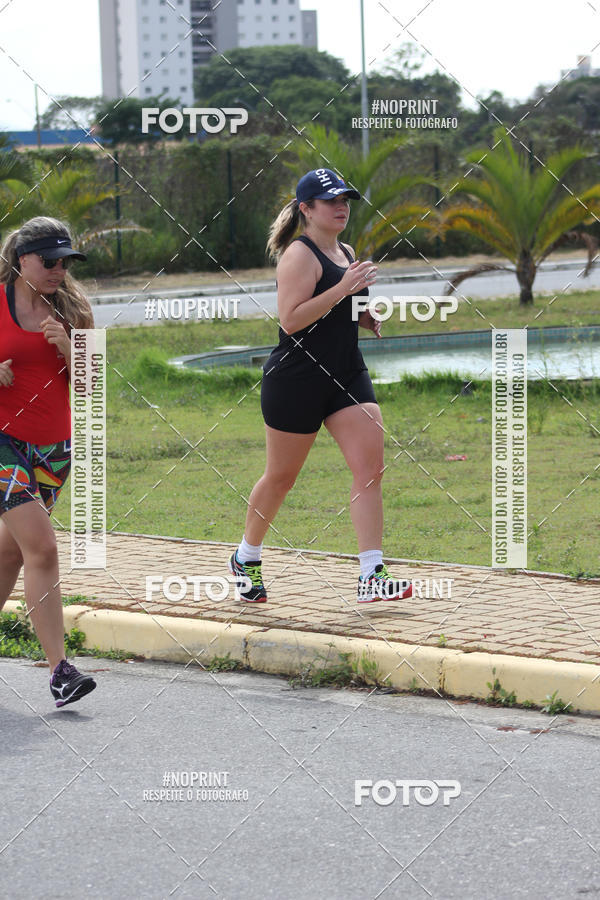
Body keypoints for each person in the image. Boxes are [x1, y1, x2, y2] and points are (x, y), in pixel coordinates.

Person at [229, 168, 413, 605]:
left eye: (345, 199)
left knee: (370, 471)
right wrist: (345, 288)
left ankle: (371, 572)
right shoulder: (299, 254)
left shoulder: (346, 250)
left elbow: (340, 308)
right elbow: (291, 320)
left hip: (346, 374)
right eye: (330, 201)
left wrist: (365, 316)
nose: (341, 207)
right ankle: (246, 555)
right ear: (305, 209)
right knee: (281, 478)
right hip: (297, 380)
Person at [0, 216, 97, 707]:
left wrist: (71, 353)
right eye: (49, 261)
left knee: (12, 553)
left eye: (66, 261)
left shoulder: (75, 308)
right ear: (22, 261)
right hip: (3, 442)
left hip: (53, 448)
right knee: (43, 547)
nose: (60, 269)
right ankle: (61, 670)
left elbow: (90, 388)